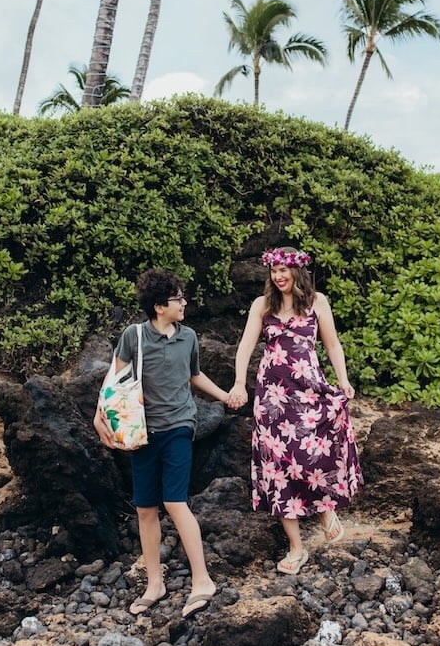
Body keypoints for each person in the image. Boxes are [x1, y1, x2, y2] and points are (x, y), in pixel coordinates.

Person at [93, 269, 244, 617]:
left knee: (175, 502)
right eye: (179, 298)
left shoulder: (188, 336)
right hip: (143, 432)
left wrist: (224, 396)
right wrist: (98, 414)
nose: (184, 303)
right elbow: (113, 379)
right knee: (145, 508)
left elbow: (194, 375)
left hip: (179, 427)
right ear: (160, 306)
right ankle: (154, 584)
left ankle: (203, 579)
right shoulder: (133, 336)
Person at [226, 246, 363, 574]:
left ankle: (326, 508)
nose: (279, 276)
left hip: (309, 391)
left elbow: (332, 344)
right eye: (274, 270)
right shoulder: (262, 305)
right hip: (272, 397)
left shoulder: (318, 302)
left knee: (312, 454)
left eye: (284, 270)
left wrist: (342, 379)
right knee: (278, 467)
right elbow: (246, 344)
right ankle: (296, 548)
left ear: (298, 271)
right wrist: (238, 383)